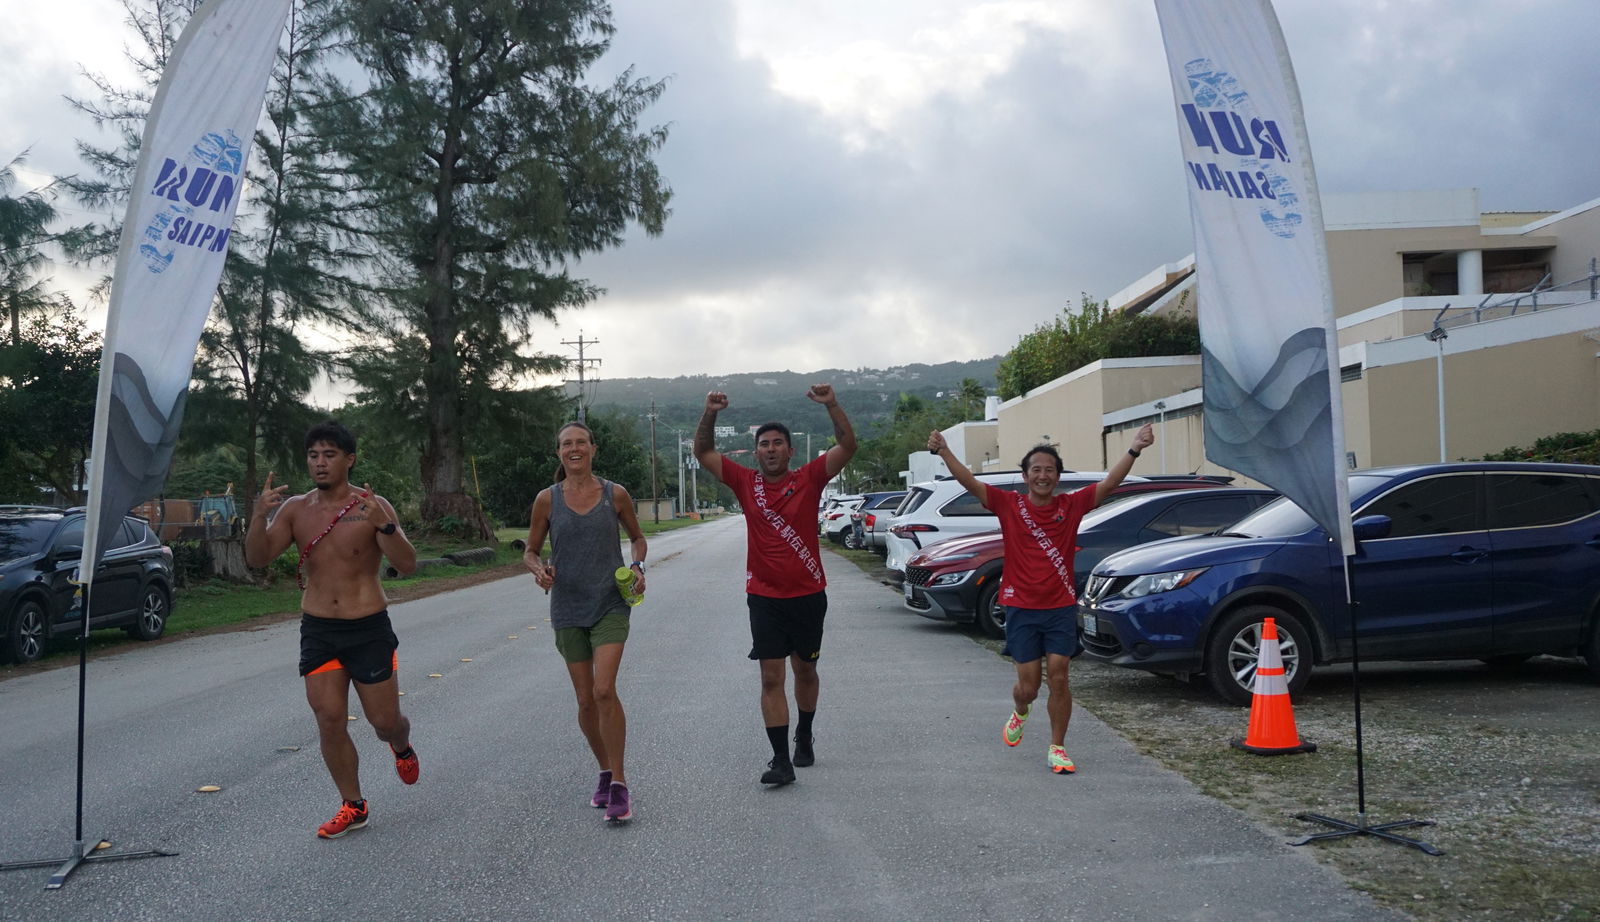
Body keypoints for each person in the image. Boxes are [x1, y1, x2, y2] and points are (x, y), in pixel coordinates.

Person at [927, 423, 1155, 774]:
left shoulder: (1071, 505)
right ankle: (1021, 711)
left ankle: (1057, 747)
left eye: (1049, 470)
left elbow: (1110, 484)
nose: (1043, 475)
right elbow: (970, 483)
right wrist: (944, 451)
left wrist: (1135, 447)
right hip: (1020, 607)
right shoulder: (1009, 504)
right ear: (1026, 475)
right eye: (1036, 470)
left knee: (1060, 676)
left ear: (1058, 476)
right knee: (1029, 687)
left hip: (1060, 607)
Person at [244, 420, 420, 839]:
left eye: (329, 455)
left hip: (368, 628)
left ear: (349, 459)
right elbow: (258, 558)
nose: (320, 463)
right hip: (320, 630)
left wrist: (385, 527)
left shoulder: (373, 506)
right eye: (313, 456)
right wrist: (257, 517)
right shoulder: (295, 510)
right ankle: (353, 804)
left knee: (383, 720)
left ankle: (401, 743)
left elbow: (408, 565)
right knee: (329, 719)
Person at [695, 385, 856, 786]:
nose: (770, 449)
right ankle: (780, 760)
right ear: (755, 453)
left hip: (808, 595)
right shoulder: (744, 481)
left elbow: (848, 445)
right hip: (764, 597)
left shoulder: (810, 478)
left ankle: (805, 731)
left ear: (790, 451)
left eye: (777, 443)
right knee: (771, 677)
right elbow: (703, 452)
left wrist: (831, 404)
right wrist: (710, 413)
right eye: (764, 444)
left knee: (805, 670)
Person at [523, 422, 648, 822]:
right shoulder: (547, 500)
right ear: (558, 453)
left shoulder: (615, 494)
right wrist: (538, 569)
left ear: (593, 448)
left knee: (604, 690)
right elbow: (530, 550)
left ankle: (620, 784)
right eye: (566, 444)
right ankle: (605, 769)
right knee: (584, 700)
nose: (574, 449)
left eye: (580, 442)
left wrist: (638, 564)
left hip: (610, 602)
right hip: (567, 607)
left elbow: (638, 538)